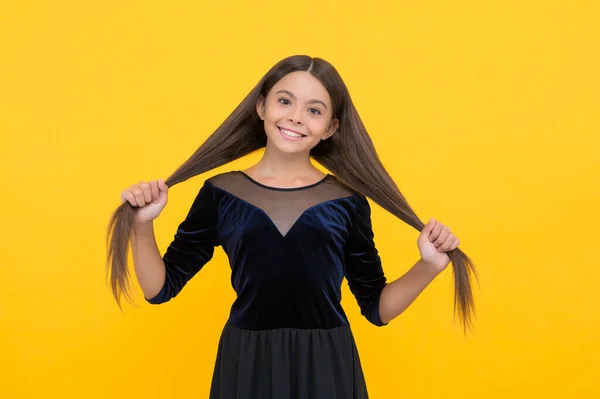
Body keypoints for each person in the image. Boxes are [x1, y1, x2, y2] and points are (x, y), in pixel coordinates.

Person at [107, 55, 477, 398]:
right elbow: (159, 288)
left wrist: (429, 265)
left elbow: (377, 309)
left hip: (327, 363)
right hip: (247, 361)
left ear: (330, 127)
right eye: (285, 101)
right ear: (261, 107)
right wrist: (142, 225)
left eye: (313, 110)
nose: (296, 117)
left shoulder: (347, 201)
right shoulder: (220, 193)